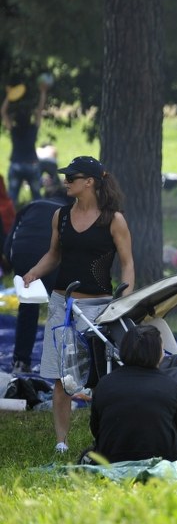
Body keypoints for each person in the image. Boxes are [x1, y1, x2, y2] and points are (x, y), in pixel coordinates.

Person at [21, 156, 134, 454]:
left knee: (99, 379)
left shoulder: (113, 220)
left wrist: (125, 301)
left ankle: (105, 439)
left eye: (72, 177)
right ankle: (61, 442)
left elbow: (127, 264)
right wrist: (33, 273)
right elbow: (53, 255)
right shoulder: (60, 216)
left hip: (98, 307)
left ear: (90, 182)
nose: (66, 181)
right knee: (62, 378)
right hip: (62, 304)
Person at [90, 325, 177, 462]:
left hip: (110, 460)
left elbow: (96, 429)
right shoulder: (170, 384)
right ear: (157, 353)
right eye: (162, 349)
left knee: (90, 452)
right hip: (164, 460)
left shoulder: (104, 383)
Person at [3, 196, 68, 373]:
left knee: (28, 306)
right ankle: (63, 363)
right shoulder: (70, 211)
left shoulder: (32, 206)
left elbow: (11, 238)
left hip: (23, 253)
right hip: (51, 255)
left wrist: (11, 261)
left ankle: (21, 361)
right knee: (62, 307)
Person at [2, 75, 49, 204]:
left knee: (12, 197)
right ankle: (40, 214)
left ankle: (10, 216)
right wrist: (43, 92)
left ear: (16, 120)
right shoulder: (33, 129)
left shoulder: (14, 130)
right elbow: (39, 110)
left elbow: (3, 112)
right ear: (29, 119)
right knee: (37, 197)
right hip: (32, 164)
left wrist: (9, 96)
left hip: (16, 164)